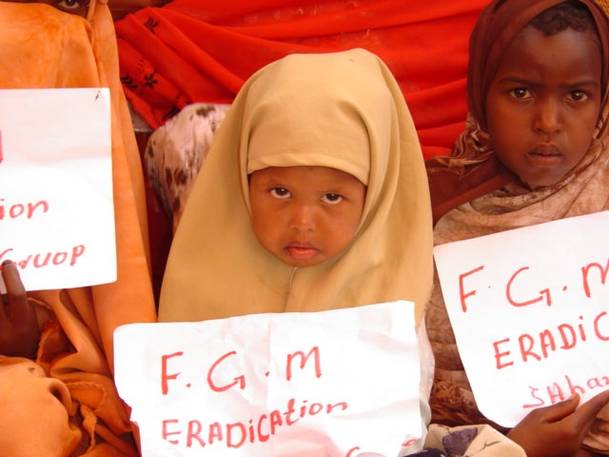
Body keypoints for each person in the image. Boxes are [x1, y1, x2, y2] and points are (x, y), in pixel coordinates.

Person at [156, 48, 540, 456]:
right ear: (242, 180)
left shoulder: (391, 297)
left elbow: (395, 435)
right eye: (280, 191)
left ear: (376, 196)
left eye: (332, 197)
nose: (303, 221)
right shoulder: (199, 275)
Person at [426, 0, 609, 455]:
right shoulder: (432, 208)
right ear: (481, 93)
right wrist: (514, 448)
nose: (548, 122)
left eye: (576, 95)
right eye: (521, 92)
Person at [0, 1, 156, 456]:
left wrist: (29, 342)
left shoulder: (67, 46)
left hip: (51, 377)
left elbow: (111, 328)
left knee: (21, 416)